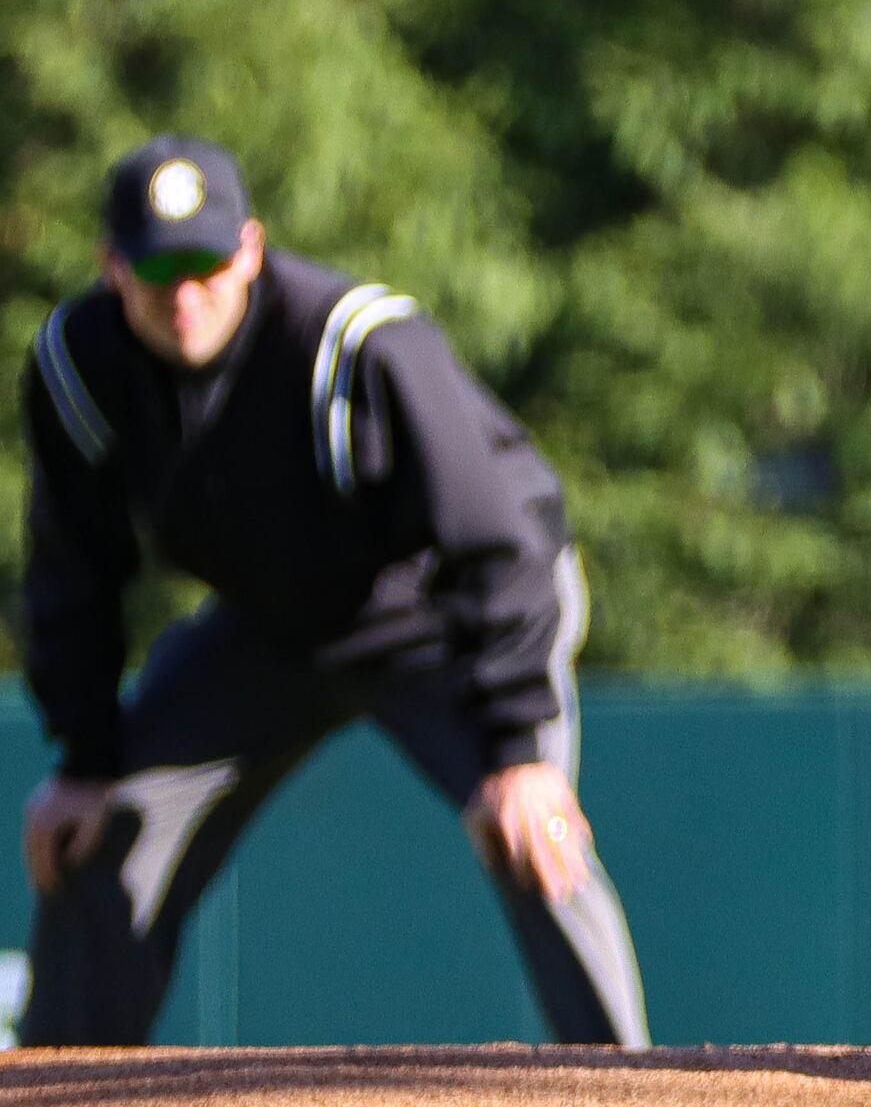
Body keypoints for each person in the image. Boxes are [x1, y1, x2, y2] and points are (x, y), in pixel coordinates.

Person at [16, 137, 648, 1047]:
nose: (185, 292)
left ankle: (631, 1085)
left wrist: (518, 750)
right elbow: (71, 568)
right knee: (98, 831)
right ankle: (56, 1086)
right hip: (269, 630)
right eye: (158, 267)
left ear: (251, 249)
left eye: (206, 261)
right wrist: (83, 759)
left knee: (526, 829)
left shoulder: (356, 340)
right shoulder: (78, 367)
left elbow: (499, 536)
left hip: (444, 612)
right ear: (112, 267)